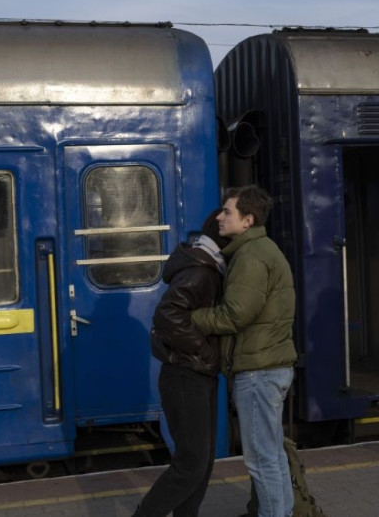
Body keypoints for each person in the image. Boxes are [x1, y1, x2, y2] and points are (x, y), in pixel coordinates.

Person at [191, 185, 297, 517]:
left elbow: (236, 315)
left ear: (247, 220)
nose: (219, 218)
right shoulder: (262, 250)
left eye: (227, 212)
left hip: (258, 371)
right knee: (273, 455)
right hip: (269, 366)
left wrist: (192, 318)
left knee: (262, 460)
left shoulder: (250, 257)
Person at [132, 210, 228, 517]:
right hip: (187, 375)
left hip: (196, 374)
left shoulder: (209, 267)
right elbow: (167, 315)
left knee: (201, 463)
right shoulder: (202, 271)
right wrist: (205, 351)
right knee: (191, 464)